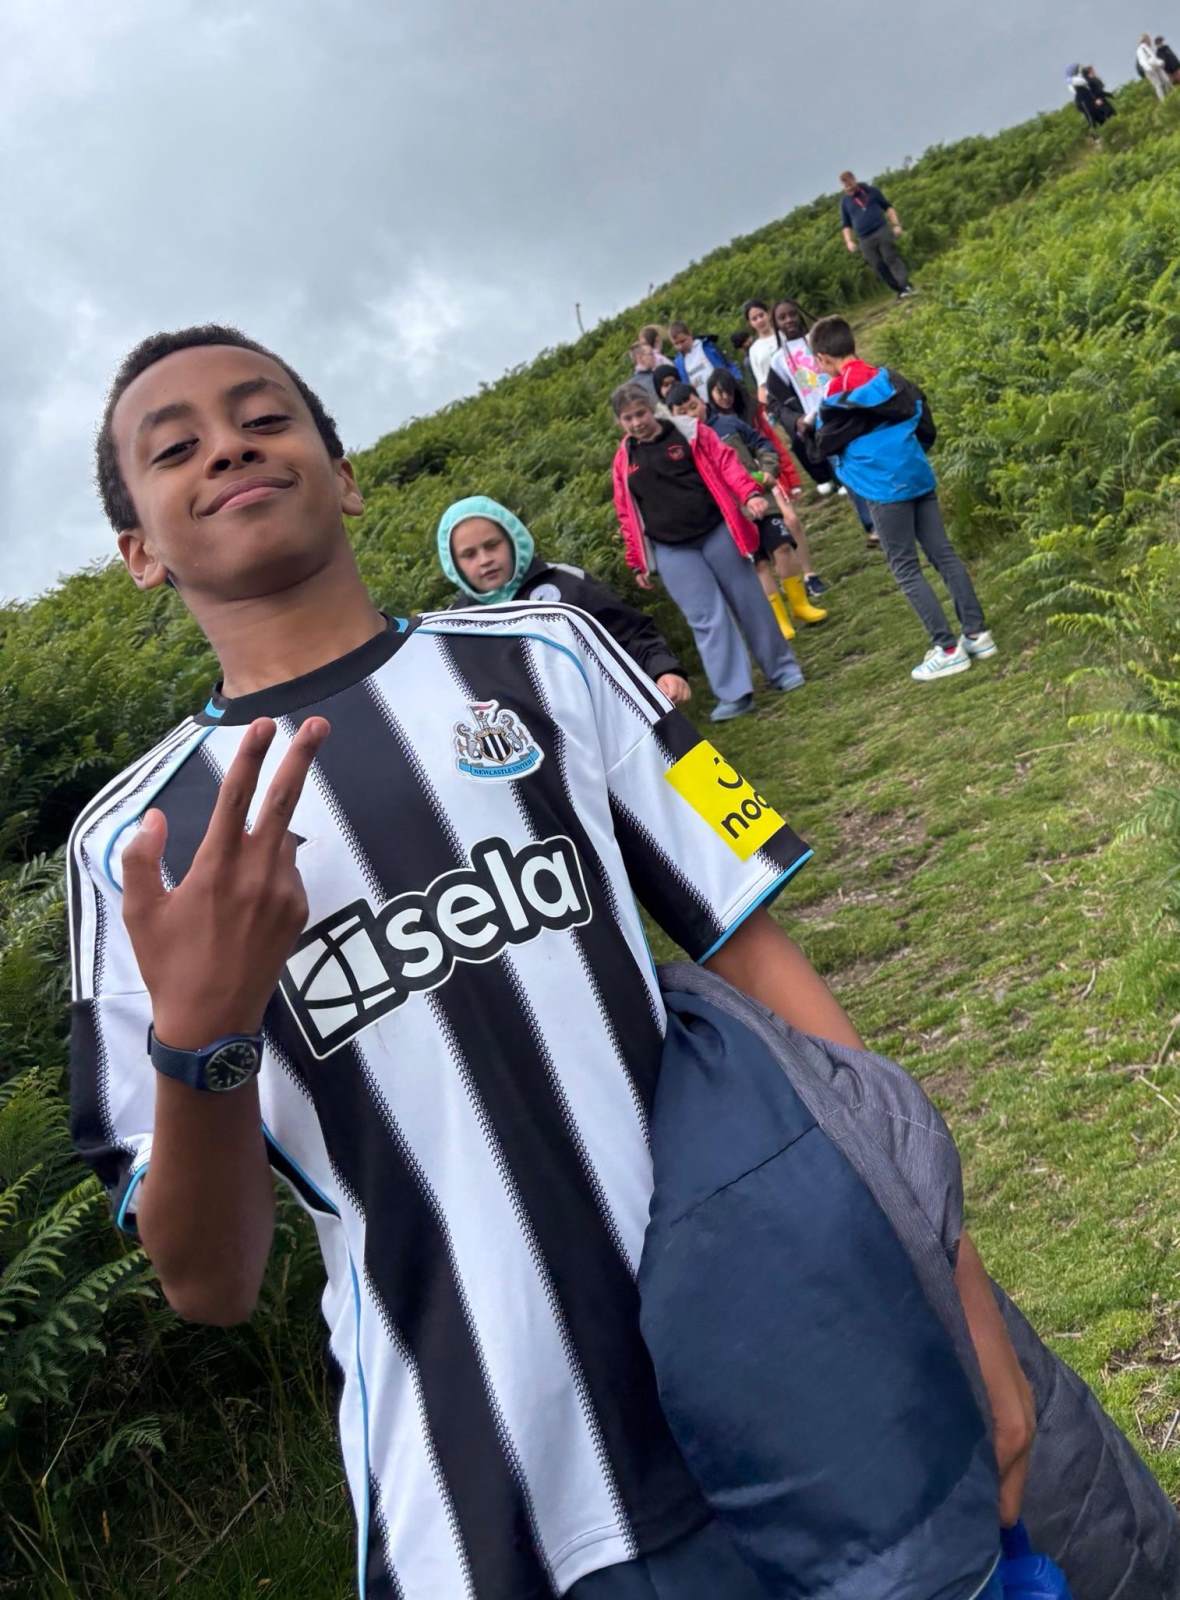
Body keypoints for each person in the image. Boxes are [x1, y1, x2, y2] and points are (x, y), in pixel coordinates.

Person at [69, 324, 1039, 1600]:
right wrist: (201, 1038)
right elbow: (209, 1279)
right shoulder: (127, 849)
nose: (230, 449)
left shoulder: (555, 655)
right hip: (486, 1512)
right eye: (176, 447)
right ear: (138, 550)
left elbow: (765, 960)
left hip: (803, 1376)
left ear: (345, 474)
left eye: (263, 417)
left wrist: (953, 1283)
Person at [800, 316, 994, 682]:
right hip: (915, 473)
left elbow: (824, 445)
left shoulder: (834, 395)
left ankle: (947, 649)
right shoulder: (889, 379)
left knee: (905, 567)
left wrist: (807, 431)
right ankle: (977, 634)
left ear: (823, 358)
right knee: (943, 554)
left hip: (882, 488)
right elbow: (922, 418)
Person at [610, 381, 805, 719]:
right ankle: (734, 693)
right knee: (705, 619)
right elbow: (626, 512)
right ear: (619, 422)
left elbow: (727, 464)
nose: (637, 422)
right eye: (628, 418)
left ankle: (782, 669)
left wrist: (749, 494)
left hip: (717, 530)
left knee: (749, 600)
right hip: (671, 549)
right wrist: (636, 561)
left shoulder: (689, 432)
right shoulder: (624, 460)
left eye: (641, 413)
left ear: (652, 409)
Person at [437, 494, 692, 704]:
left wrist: (663, 670)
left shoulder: (566, 582)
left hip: (605, 717)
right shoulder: (452, 625)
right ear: (453, 563)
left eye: (492, 545)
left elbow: (630, 633)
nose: (485, 560)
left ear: (512, 539)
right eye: (469, 554)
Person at [689, 373, 830, 617]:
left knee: (786, 536)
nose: (725, 397)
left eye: (693, 406)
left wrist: (774, 473)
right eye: (719, 392)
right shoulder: (686, 443)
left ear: (701, 401)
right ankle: (780, 617)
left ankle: (805, 589)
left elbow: (767, 443)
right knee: (759, 562)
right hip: (732, 509)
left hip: (761, 491)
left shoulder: (734, 420)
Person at [767, 300, 880, 543]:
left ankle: (887, 509)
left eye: (792, 314)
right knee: (845, 471)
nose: (789, 320)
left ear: (800, 315)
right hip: (821, 421)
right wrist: (797, 419)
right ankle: (872, 526)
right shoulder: (777, 360)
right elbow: (778, 399)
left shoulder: (819, 340)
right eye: (782, 318)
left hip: (847, 407)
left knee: (866, 458)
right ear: (776, 324)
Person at [839, 170, 914, 299]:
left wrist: (896, 225)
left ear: (854, 180)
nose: (848, 188)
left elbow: (888, 208)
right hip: (864, 239)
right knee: (878, 266)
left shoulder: (872, 191)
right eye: (845, 186)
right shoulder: (845, 202)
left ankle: (905, 285)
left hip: (881, 230)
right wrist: (849, 241)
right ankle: (899, 290)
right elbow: (846, 225)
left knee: (890, 257)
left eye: (849, 184)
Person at [668, 321, 743, 401]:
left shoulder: (707, 347)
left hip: (726, 392)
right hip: (704, 401)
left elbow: (727, 364)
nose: (680, 346)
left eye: (683, 341)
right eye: (676, 344)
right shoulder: (678, 363)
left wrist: (737, 380)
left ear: (689, 334)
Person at [1067, 64, 1116, 130]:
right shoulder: (1081, 81)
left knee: (1103, 116)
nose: (1094, 72)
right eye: (1092, 71)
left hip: (1092, 100)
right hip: (1088, 101)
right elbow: (1094, 91)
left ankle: (1107, 129)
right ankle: (1095, 133)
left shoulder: (1085, 80)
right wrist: (1099, 98)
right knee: (1094, 118)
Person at [1136, 33, 1171, 100]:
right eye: (1148, 39)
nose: (1150, 40)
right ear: (1145, 40)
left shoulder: (1148, 48)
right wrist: (1148, 68)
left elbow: (1153, 58)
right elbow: (1143, 61)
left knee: (1165, 81)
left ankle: (1169, 96)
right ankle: (1164, 100)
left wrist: (1160, 62)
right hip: (1150, 69)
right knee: (1158, 85)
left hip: (1156, 66)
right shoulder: (1141, 49)